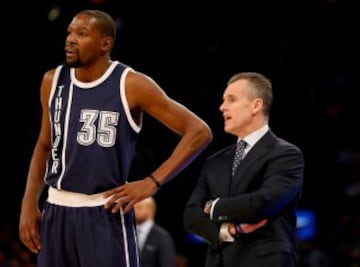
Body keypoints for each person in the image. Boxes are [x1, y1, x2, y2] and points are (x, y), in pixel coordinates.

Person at [18, 9, 212, 267]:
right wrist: (29, 202)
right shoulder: (52, 81)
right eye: (70, 32)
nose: (71, 39)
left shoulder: (131, 84)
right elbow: (44, 145)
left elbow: (199, 131)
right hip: (56, 210)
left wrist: (153, 182)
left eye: (82, 34)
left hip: (104, 211)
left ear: (105, 43)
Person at [183, 72, 304, 267]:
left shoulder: (286, 155)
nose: (222, 107)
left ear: (256, 105)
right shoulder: (215, 160)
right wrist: (230, 230)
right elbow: (190, 216)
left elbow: (264, 202)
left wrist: (214, 207)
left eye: (231, 100)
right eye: (223, 101)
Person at [134, 197, 176, 267]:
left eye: (139, 207)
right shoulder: (128, 234)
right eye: (133, 208)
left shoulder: (162, 236)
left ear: (150, 210)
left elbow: (167, 263)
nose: (134, 211)